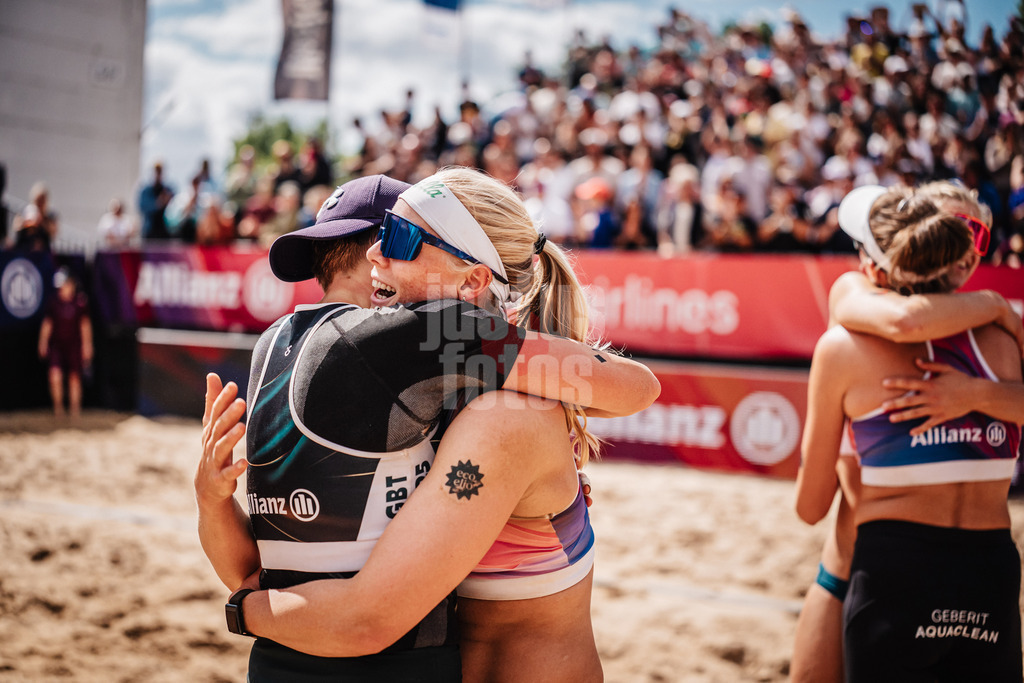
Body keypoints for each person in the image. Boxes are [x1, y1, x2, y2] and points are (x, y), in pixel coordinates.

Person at [196, 171, 659, 681]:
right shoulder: (436, 389)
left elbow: (636, 387)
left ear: (473, 279)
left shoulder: (497, 406)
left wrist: (245, 604)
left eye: (397, 238)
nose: (374, 254)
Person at [790, 182, 1024, 682]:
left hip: (884, 563)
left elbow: (809, 508)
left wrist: (973, 395)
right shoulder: (1001, 336)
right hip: (988, 567)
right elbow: (902, 318)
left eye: (977, 233)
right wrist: (998, 309)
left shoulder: (845, 348)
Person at [38, 268, 92, 418]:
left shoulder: (80, 302)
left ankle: (75, 412)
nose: (61, 290)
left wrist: (87, 345)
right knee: (55, 376)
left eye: (63, 286)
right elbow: (47, 324)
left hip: (74, 345)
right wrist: (43, 342)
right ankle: (59, 411)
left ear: (71, 285)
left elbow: (85, 325)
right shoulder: (53, 302)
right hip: (57, 345)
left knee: (75, 378)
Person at [12, 182, 58, 252]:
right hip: (25, 250)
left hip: (43, 252)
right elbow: (16, 228)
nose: (40, 204)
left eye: (42, 201)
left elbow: (53, 232)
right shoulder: (24, 212)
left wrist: (41, 221)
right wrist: (25, 223)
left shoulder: (50, 216)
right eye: (38, 201)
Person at [137, 162, 174, 240]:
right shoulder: (146, 191)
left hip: (164, 233)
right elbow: (144, 208)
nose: (158, 174)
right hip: (150, 233)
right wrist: (159, 203)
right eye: (156, 171)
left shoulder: (168, 190)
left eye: (160, 171)